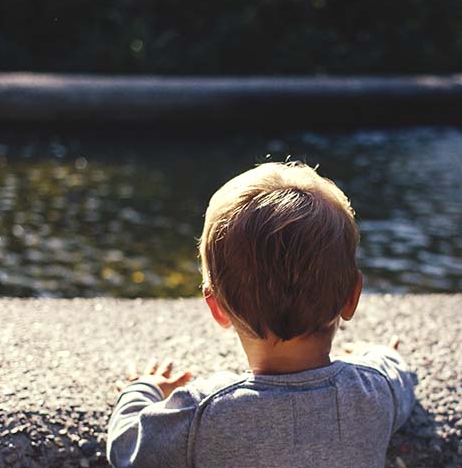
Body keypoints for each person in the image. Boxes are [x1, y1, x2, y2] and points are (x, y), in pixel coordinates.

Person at [106, 162, 417, 468]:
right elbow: (396, 372)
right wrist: (375, 352)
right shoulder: (375, 391)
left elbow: (125, 448)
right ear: (352, 297)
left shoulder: (201, 413)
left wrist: (142, 388)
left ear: (217, 308)